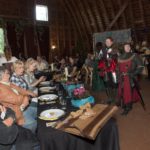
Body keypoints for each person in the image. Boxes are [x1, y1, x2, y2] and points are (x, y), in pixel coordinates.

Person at [0, 66, 37, 133]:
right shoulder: (1, 88)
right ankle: (29, 137)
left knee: (38, 110)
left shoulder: (9, 83)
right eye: (7, 73)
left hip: (23, 108)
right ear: (2, 75)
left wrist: (27, 94)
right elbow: (17, 100)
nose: (9, 74)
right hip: (16, 113)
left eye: (8, 73)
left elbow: (22, 90)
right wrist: (26, 97)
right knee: (32, 124)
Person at [117, 43, 144, 115]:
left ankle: (128, 107)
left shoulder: (134, 56)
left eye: (128, 46)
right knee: (123, 91)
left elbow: (140, 66)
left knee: (128, 92)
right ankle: (124, 104)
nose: (127, 48)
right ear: (123, 48)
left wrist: (133, 73)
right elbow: (118, 68)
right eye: (126, 46)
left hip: (130, 77)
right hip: (122, 77)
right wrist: (118, 76)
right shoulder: (120, 57)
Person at [98, 37, 118, 104]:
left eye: (109, 41)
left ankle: (116, 99)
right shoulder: (102, 49)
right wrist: (102, 59)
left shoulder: (115, 49)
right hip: (105, 69)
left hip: (113, 70)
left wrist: (112, 56)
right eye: (106, 41)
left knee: (114, 84)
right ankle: (110, 98)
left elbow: (119, 58)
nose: (107, 43)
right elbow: (99, 58)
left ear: (112, 42)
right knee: (107, 84)